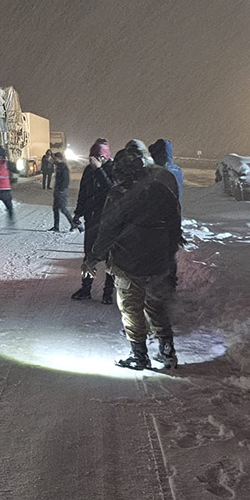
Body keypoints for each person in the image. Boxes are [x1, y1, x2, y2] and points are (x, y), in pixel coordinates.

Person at [85, 140, 183, 370]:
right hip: (159, 262)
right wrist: (169, 253)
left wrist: (93, 257)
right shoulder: (161, 189)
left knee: (131, 308)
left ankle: (139, 356)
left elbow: (108, 230)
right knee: (156, 306)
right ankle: (168, 353)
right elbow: (174, 225)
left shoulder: (118, 194)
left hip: (129, 262)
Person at [70, 139, 116, 302]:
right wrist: (78, 213)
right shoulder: (88, 171)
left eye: (96, 157)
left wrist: (99, 171)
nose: (92, 160)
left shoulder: (112, 169)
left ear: (103, 157)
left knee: (110, 258)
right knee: (89, 257)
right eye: (91, 157)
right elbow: (84, 193)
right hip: (92, 220)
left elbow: (112, 190)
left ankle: (108, 293)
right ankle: (86, 288)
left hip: (108, 221)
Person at [148, 138, 185, 289]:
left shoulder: (158, 172)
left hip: (157, 217)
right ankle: (170, 282)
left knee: (155, 251)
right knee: (170, 251)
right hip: (174, 215)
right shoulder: (177, 170)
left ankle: (158, 284)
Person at [48, 151, 76, 232]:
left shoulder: (64, 167)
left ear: (58, 158)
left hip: (62, 191)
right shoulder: (59, 166)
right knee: (55, 209)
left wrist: (61, 189)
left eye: (55, 158)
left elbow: (66, 180)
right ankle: (56, 227)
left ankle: (73, 224)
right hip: (57, 190)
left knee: (63, 209)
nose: (54, 160)